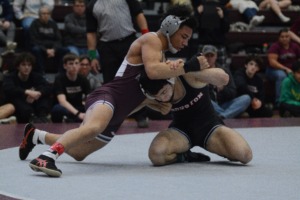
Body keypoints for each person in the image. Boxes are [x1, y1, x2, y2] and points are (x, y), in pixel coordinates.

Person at [19, 5, 213, 177]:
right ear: (170, 27)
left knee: (79, 152)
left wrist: (154, 102)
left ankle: (35, 136)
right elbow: (153, 72)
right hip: (108, 98)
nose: (186, 43)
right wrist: (189, 66)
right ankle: (45, 157)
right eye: (184, 37)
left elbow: (139, 94)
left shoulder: (160, 56)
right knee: (91, 129)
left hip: (118, 114)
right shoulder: (151, 40)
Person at [137, 70, 252, 166]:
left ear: (171, 79)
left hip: (210, 127)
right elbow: (125, 109)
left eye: (164, 92)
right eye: (157, 97)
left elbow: (223, 78)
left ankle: (222, 148)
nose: (162, 99)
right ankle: (185, 156)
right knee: (156, 155)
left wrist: (187, 68)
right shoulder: (152, 92)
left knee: (244, 155)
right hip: (181, 131)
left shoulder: (188, 76)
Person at [86, 0, 149, 128]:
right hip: (107, 47)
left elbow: (139, 15)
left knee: (136, 80)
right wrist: (92, 57)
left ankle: (141, 115)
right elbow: (91, 32)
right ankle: (112, 117)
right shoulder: (92, 5)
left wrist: (147, 37)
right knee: (111, 83)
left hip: (129, 42)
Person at [203, 45, 251, 119]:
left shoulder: (224, 71)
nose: (209, 58)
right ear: (203, 57)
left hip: (224, 104)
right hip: (209, 105)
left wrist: (223, 89)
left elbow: (233, 92)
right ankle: (228, 114)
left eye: (211, 55)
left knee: (246, 98)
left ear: (216, 56)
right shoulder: (199, 72)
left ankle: (223, 116)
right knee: (204, 99)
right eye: (207, 55)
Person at [2, 52, 52, 123]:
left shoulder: (36, 76)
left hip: (33, 101)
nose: (27, 67)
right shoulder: (10, 77)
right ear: (18, 66)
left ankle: (42, 117)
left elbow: (48, 87)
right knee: (16, 100)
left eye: (29, 65)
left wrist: (38, 93)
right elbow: (9, 89)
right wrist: (27, 92)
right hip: (19, 105)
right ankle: (31, 117)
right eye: (23, 65)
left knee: (44, 98)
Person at [51, 53, 91, 123]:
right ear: (65, 66)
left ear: (79, 65)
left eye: (76, 63)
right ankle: (73, 119)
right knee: (57, 109)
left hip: (78, 107)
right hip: (66, 108)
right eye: (71, 64)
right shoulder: (59, 79)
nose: (74, 66)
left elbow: (89, 97)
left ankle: (71, 120)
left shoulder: (83, 79)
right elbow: (62, 101)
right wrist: (78, 114)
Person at [29, 6, 70, 74]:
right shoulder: (34, 24)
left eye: (47, 14)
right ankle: (41, 73)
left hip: (52, 47)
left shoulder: (53, 24)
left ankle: (61, 73)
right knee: (35, 50)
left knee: (66, 50)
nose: (46, 15)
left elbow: (59, 40)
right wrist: (45, 50)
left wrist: (54, 49)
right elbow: (34, 41)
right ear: (39, 15)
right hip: (40, 47)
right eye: (43, 14)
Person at [265, 28, 300, 106]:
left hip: (291, 70)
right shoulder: (275, 46)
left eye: (287, 36)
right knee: (282, 76)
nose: (284, 38)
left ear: (290, 37)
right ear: (279, 38)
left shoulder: (294, 46)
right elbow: (272, 62)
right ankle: (280, 102)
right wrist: (285, 69)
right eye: (282, 37)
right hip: (273, 70)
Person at [191, 0, 230, 67]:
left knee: (222, 71)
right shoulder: (200, 7)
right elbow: (193, 27)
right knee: (200, 70)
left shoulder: (222, 8)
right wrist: (197, 13)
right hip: (203, 44)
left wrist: (222, 17)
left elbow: (226, 29)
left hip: (218, 45)